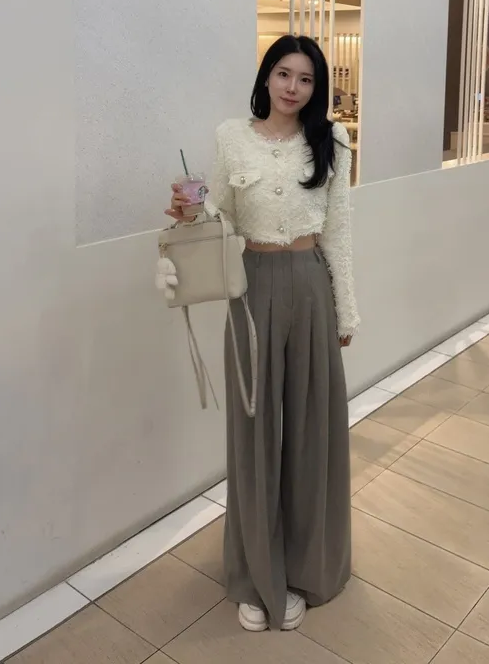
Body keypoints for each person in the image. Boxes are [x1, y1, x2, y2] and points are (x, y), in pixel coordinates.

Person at [166, 34, 359, 632]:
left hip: (310, 283)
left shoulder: (332, 140)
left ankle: (308, 566)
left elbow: (339, 230)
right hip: (251, 287)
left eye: (305, 78)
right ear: (266, 77)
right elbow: (220, 214)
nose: (292, 87)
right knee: (254, 433)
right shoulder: (232, 137)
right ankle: (256, 574)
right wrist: (190, 211)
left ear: (316, 87)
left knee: (311, 432)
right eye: (283, 74)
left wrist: (346, 312)